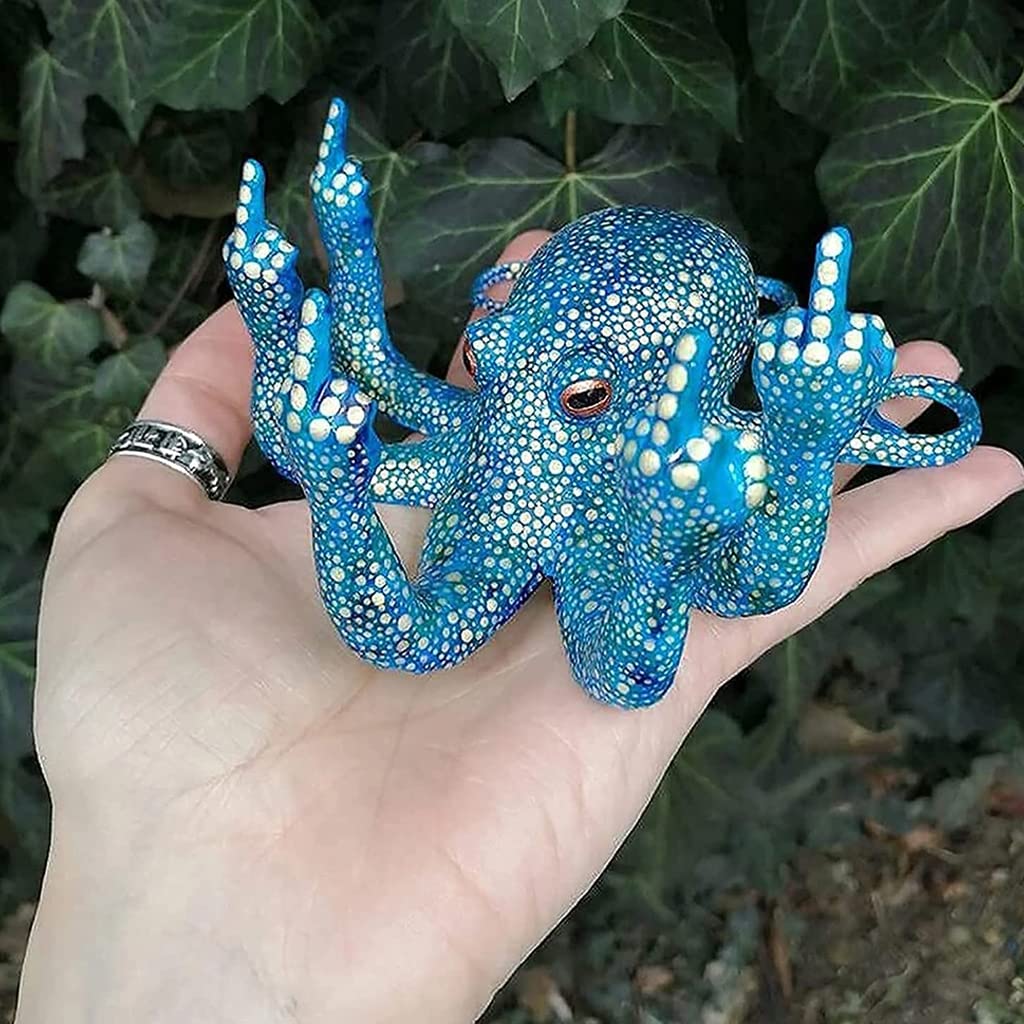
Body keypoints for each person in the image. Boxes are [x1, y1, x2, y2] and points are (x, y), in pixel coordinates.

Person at [15, 231, 1023, 1023]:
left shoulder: (701, 460)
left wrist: (796, 452)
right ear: (496, 330)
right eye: (500, 357)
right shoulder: (507, 413)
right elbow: (407, 627)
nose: (524, 423)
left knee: (625, 663)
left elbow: (733, 589)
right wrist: (335, 473)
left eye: (584, 397)